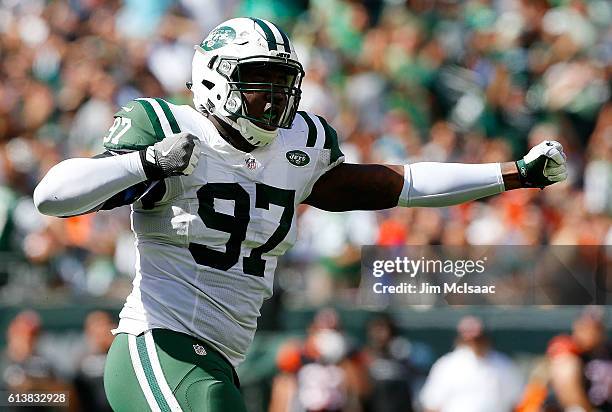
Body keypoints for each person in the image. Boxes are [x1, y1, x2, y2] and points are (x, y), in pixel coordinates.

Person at [33, 17, 567, 412]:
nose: (276, 99)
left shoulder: (301, 145)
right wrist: (142, 162)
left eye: (282, 83)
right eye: (259, 81)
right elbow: (51, 196)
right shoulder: (164, 124)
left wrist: (512, 173)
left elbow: (404, 183)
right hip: (160, 341)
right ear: (217, 81)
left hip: (220, 357)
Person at [419, 316, 523, 412]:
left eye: (478, 339)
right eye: (470, 340)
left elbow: (517, 400)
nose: (475, 344)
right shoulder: (447, 365)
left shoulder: (503, 364)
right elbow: (431, 404)